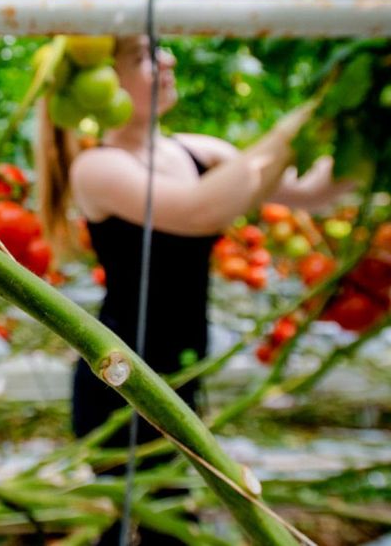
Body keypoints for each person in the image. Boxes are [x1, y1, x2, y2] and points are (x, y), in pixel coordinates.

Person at [34, 35, 352, 545]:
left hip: (182, 368)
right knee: (144, 522)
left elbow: (313, 191)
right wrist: (304, 117)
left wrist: (372, 115)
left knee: (168, 517)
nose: (167, 59)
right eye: (142, 55)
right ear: (99, 82)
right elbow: (200, 209)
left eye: (159, 47)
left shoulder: (201, 151)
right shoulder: (98, 167)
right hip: (117, 378)